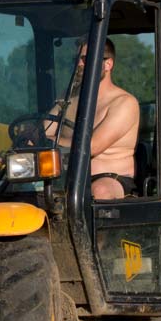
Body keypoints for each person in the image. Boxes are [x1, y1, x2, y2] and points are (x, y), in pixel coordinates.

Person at [45, 39, 140, 200]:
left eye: (85, 59)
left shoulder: (124, 103)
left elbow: (91, 146)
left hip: (109, 178)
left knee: (99, 191)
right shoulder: (69, 97)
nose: (79, 64)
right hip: (67, 178)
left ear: (108, 64)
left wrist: (48, 142)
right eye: (77, 59)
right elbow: (45, 129)